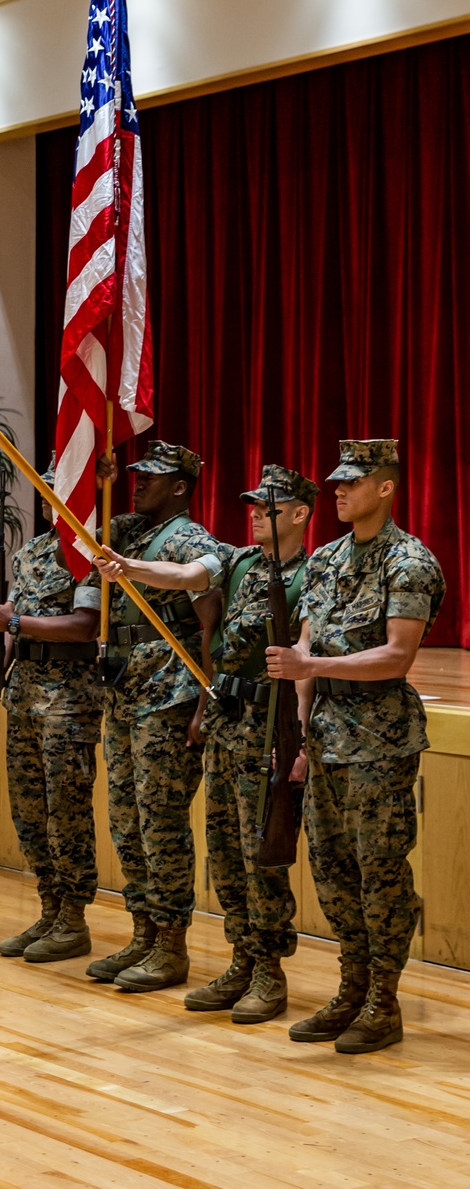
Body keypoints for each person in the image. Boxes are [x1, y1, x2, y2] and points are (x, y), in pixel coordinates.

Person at [97, 464, 318, 1023]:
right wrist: (127, 567)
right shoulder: (239, 561)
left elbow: (306, 666)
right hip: (229, 720)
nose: (255, 515)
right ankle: (242, 960)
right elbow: (185, 576)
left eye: (268, 507)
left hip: (271, 723)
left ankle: (269, 970)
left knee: (261, 854)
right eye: (252, 505)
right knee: (224, 850)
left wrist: (299, 740)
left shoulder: (313, 574)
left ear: (298, 514)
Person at [266, 439, 445, 1054]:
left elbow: (397, 657)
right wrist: (298, 736)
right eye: (335, 482)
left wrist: (308, 662)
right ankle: (351, 988)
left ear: (387, 487)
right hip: (326, 740)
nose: (337, 491)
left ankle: (383, 1001)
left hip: (380, 742)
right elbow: (304, 662)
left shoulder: (409, 561)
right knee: (334, 873)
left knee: (380, 874)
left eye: (352, 482)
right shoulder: (324, 561)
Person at [83, 440, 218, 993]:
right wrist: (97, 482)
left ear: (180, 486)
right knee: (125, 818)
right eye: (135, 475)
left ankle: (170, 946)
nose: (137, 483)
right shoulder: (127, 529)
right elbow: (72, 525)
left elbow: (210, 625)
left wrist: (206, 703)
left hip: (170, 693)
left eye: (150, 477)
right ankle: (142, 932)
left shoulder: (190, 539)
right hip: (126, 692)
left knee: (161, 822)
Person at [0, 463, 102, 963]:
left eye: (65, 488)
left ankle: (73, 919)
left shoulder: (91, 555)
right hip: (25, 695)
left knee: (66, 812)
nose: (56, 497)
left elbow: (85, 625)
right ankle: (48, 909)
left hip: (68, 700)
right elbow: (11, 624)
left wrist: (17, 621)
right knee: (30, 811)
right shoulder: (31, 551)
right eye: (50, 489)